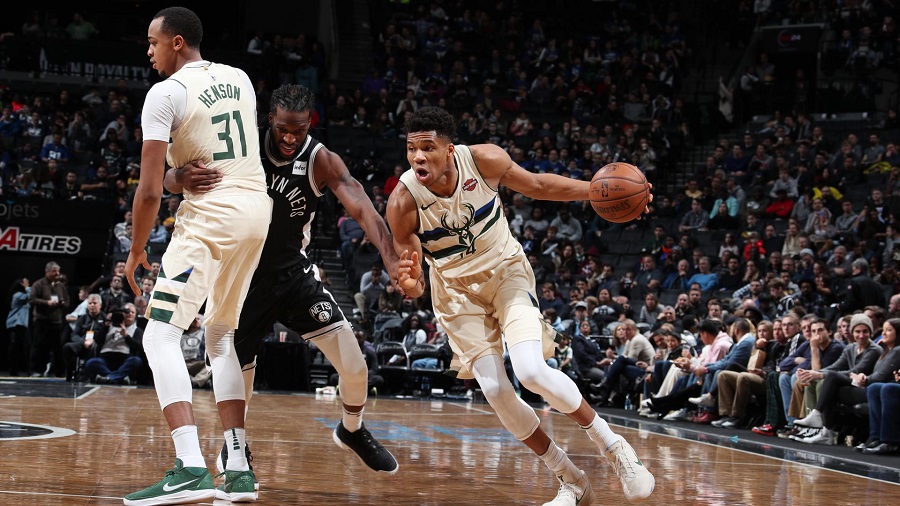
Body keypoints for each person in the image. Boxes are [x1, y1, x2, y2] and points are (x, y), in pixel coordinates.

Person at [387, 106, 654, 504]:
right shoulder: (403, 202)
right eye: (412, 149)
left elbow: (539, 185)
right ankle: (570, 479)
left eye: (428, 148)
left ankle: (614, 447)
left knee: (530, 370)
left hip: (505, 273)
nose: (418, 157)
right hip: (456, 293)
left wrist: (598, 190)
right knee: (496, 389)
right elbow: (413, 282)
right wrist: (409, 284)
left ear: (450, 149)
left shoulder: (484, 160)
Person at [167, 83, 400, 481]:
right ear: (269, 119)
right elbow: (169, 180)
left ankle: (352, 429)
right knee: (239, 379)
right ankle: (234, 446)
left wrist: (391, 257)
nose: (291, 138)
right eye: (283, 130)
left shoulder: (319, 159)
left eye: (300, 130)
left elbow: (361, 205)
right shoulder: (238, 147)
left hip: (293, 276)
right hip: (240, 280)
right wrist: (179, 177)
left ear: (310, 124)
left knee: (356, 367)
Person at [122, 8, 273, 505]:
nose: (148, 51)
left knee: (159, 334)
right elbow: (214, 154)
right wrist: (176, 177)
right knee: (221, 334)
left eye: (153, 42)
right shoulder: (240, 78)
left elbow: (149, 191)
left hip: (212, 215)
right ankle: (238, 468)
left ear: (177, 42)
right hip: (256, 211)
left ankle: (189, 467)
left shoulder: (164, 93)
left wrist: (137, 248)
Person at [84, 303, 145, 385]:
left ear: (135, 315)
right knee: (91, 362)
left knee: (136, 361)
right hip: (105, 358)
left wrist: (126, 336)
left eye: (132, 312)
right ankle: (118, 377)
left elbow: (139, 346)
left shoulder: (137, 330)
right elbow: (98, 341)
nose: (130, 314)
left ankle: (109, 378)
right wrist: (105, 326)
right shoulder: (109, 326)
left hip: (124, 359)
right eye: (127, 312)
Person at [28, 261, 69, 377]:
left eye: (58, 271)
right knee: (39, 347)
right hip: (42, 321)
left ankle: (59, 372)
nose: (57, 273)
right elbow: (31, 299)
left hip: (56, 322)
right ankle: (36, 370)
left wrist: (62, 303)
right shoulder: (39, 284)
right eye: (54, 271)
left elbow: (67, 302)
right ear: (47, 272)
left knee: (58, 348)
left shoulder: (60, 286)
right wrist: (47, 303)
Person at [5, 278, 31, 377]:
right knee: (16, 347)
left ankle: (16, 369)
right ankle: (14, 369)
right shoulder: (18, 295)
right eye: (26, 282)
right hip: (16, 323)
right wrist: (27, 288)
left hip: (20, 324)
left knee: (19, 347)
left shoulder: (21, 295)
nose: (28, 284)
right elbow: (30, 295)